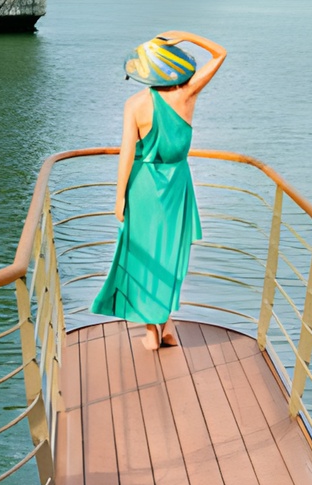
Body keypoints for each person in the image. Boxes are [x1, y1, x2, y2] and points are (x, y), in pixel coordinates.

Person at [90, 30, 228, 350]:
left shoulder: (135, 104)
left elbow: (127, 153)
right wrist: (185, 36)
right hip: (177, 185)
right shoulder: (187, 95)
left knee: (144, 257)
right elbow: (220, 53)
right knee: (169, 256)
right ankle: (164, 328)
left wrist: (120, 196)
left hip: (142, 186)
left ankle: (153, 331)